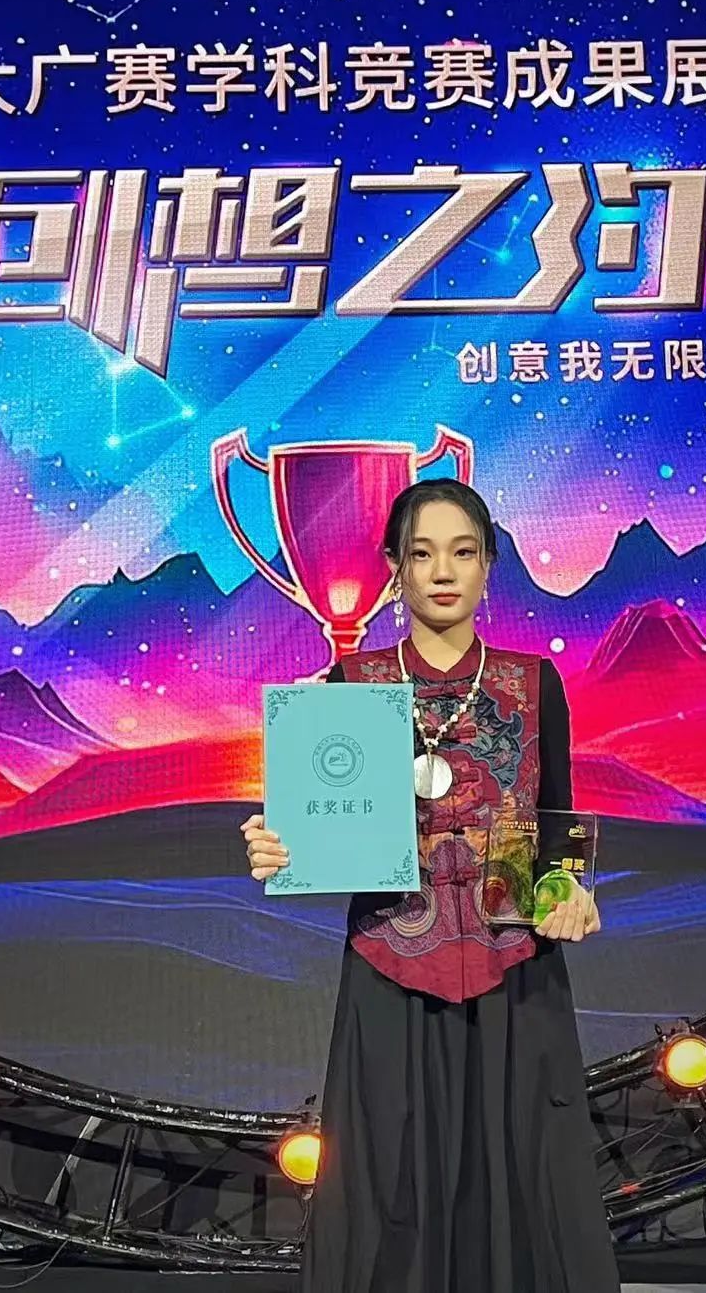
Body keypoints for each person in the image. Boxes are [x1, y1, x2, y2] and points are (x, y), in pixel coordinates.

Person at [241, 478, 620, 1293]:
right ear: (395, 568)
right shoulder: (351, 683)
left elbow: (555, 819)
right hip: (391, 966)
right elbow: (320, 824)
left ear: (488, 567)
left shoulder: (532, 681)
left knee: (522, 1169)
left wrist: (570, 887)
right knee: (387, 1176)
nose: (443, 571)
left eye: (463, 552)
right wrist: (277, 846)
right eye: (421, 553)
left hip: (515, 969)